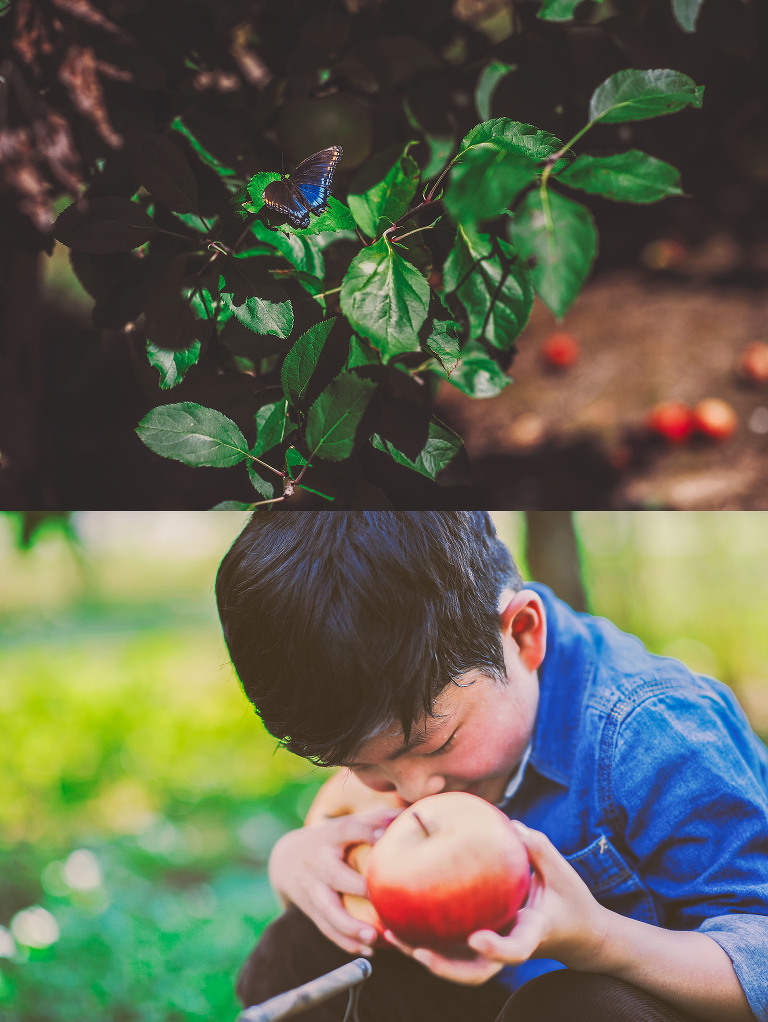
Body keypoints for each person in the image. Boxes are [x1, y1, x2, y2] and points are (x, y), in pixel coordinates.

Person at [215, 511, 768, 1022]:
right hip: (492, 993)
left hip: (652, 997)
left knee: (568, 1009)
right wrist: (295, 863)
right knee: (295, 954)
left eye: (436, 746)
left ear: (523, 634)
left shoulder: (652, 732)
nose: (414, 792)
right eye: (362, 765)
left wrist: (595, 937)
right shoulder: (417, 702)